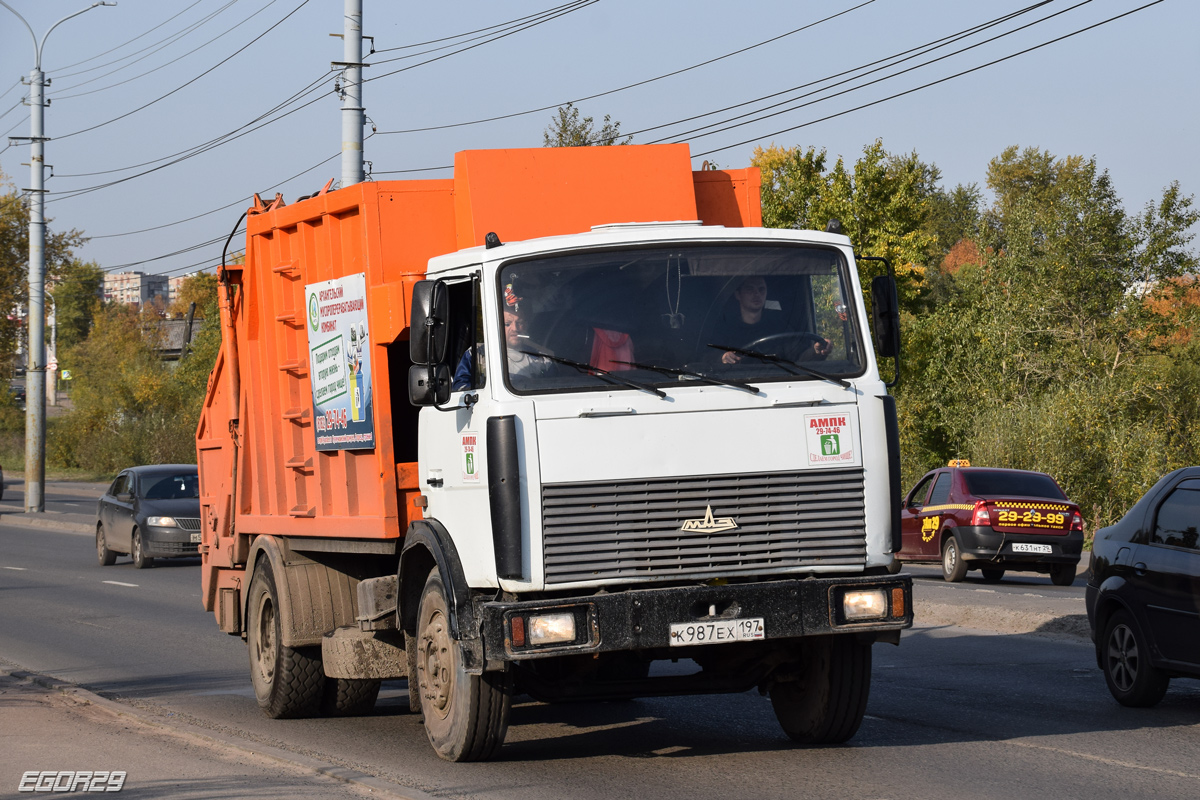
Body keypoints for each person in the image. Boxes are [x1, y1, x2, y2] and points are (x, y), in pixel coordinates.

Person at [711, 276, 831, 364]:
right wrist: (722, 357)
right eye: (750, 289)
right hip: (737, 386)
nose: (757, 294)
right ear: (738, 295)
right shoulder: (725, 328)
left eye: (761, 289)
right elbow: (705, 358)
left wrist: (816, 351)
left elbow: (799, 359)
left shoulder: (780, 326)